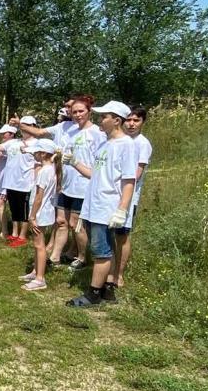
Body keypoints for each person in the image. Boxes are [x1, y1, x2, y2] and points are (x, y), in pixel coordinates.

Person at [17, 95, 104, 270]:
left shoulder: (97, 133)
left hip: (83, 185)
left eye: (81, 111)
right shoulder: (69, 129)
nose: (78, 115)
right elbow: (44, 135)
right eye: (74, 112)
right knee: (61, 221)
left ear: (89, 112)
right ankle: (55, 256)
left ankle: (82, 257)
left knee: (76, 224)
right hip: (65, 183)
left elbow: (99, 162)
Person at [67, 101, 138, 308]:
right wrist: (74, 163)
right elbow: (94, 174)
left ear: (116, 120)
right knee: (105, 247)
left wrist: (122, 209)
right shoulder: (104, 144)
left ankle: (93, 293)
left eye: (104, 116)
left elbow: (128, 181)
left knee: (101, 250)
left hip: (107, 205)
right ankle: (107, 288)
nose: (100, 119)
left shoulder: (126, 145)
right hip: (94, 204)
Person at [115, 106, 152, 288]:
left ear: (142, 122)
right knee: (112, 235)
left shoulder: (142, 144)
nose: (131, 124)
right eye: (128, 120)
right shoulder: (120, 141)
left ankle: (119, 274)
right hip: (113, 196)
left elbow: (136, 174)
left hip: (129, 198)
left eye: (136, 120)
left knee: (122, 235)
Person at [0, 119, 37, 247]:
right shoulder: (13, 142)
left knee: (23, 211)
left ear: (34, 127)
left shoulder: (37, 143)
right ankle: (14, 233)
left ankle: (22, 236)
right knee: (14, 210)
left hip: (25, 183)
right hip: (10, 182)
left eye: (28, 125)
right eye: (23, 126)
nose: (25, 128)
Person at [19, 139, 62, 291]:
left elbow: (39, 197)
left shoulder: (45, 171)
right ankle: (35, 271)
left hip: (40, 213)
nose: (34, 155)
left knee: (39, 245)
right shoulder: (51, 169)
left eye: (36, 152)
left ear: (43, 154)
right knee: (37, 244)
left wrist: (32, 216)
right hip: (43, 211)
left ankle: (40, 279)